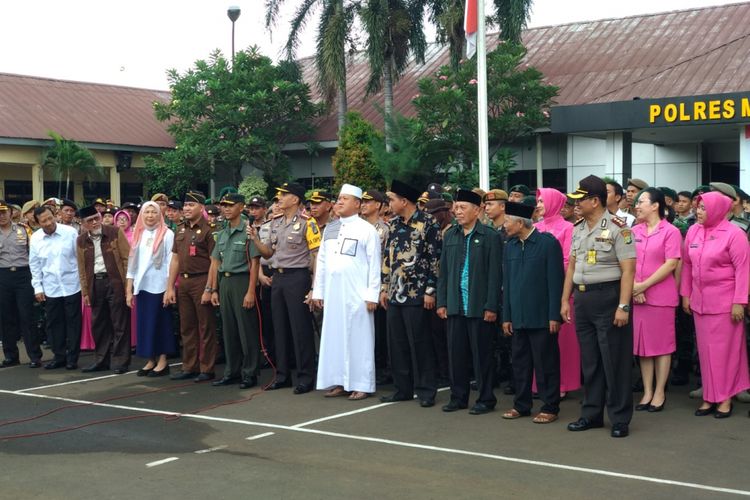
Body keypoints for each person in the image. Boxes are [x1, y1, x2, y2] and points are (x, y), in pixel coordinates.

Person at [562, 175, 636, 438]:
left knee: (614, 361)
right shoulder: (578, 227)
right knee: (590, 361)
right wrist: (565, 299)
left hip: (609, 297)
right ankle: (591, 414)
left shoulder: (619, 228)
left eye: (580, 199)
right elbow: (571, 265)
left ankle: (619, 418)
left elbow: (628, 270)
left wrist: (623, 306)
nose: (576, 204)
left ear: (595, 201)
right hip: (582, 299)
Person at [682, 191, 750, 418]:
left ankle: (724, 398)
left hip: (725, 302)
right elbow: (687, 266)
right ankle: (709, 396)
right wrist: (686, 294)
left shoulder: (734, 234)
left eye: (703, 208)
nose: (698, 212)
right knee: (706, 352)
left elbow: (743, 270)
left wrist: (740, 301)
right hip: (700, 302)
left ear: (718, 210)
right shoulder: (692, 231)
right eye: (698, 207)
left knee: (725, 353)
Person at [311, 185, 381, 400]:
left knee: (359, 340)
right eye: (339, 199)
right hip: (333, 294)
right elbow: (321, 262)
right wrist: (318, 291)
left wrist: (372, 295)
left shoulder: (367, 229)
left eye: (345, 199)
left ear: (357, 204)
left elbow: (374, 264)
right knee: (334, 338)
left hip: (357, 295)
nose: (339, 202)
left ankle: (361, 384)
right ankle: (339, 381)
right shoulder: (330, 229)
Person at [251, 182, 321, 394]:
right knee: (279, 327)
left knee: (300, 329)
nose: (279, 198)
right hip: (278, 278)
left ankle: (305, 376)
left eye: (284, 195)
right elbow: (268, 253)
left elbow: (316, 255)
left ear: (296, 199)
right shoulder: (275, 223)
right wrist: (254, 238)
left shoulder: (308, 223)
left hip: (297, 278)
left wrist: (314, 287)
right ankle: (282, 375)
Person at [437, 189, 501, 415]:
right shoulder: (450, 235)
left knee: (481, 354)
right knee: (456, 354)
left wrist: (491, 305)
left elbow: (495, 275)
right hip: (455, 304)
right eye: (456, 207)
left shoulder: (490, 236)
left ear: (477, 210)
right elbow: (443, 271)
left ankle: (485, 399)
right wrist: (442, 301)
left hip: (478, 306)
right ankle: (458, 397)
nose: (457, 211)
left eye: (463, 207)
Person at [379, 179, 441, 408]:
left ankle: (426, 390)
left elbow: (435, 258)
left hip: (418, 293)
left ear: (404, 201)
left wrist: (430, 290)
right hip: (395, 293)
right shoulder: (394, 224)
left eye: (392, 199)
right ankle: (402, 388)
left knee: (420, 343)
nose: (389, 204)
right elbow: (388, 258)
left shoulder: (428, 223)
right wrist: (384, 288)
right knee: (397, 343)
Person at [501, 200, 564, 423]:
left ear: (520, 223)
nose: (504, 225)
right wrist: (506, 316)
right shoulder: (510, 246)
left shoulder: (547, 244)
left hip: (542, 318)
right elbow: (507, 284)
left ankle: (550, 406)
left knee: (546, 363)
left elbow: (556, 282)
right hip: (517, 317)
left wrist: (554, 315)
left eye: (507, 221)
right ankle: (522, 405)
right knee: (519, 363)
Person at [631, 188, 681, 413]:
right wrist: (635, 286)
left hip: (660, 297)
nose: (637, 205)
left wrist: (644, 285)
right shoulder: (633, 231)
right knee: (643, 347)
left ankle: (660, 391)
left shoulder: (670, 231)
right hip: (638, 296)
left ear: (655, 206)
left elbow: (670, 264)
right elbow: (628, 260)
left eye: (642, 201)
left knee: (661, 347)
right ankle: (647, 391)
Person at [210, 193, 262, 390]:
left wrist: (251, 291)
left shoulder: (247, 232)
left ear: (241, 207)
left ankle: (250, 373)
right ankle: (232, 371)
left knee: (246, 330)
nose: (226, 208)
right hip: (225, 282)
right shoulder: (222, 234)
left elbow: (255, 263)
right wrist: (213, 289)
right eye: (223, 205)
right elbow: (216, 262)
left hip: (242, 281)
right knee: (229, 330)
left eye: (230, 205)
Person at [165, 191, 218, 382]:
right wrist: (170, 287)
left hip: (202, 279)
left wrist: (210, 288)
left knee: (206, 326)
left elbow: (215, 261)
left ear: (201, 208)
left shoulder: (210, 229)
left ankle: (207, 367)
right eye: (185, 205)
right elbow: (175, 259)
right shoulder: (180, 229)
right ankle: (189, 366)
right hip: (184, 282)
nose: (186, 209)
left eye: (191, 205)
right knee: (186, 326)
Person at [535, 187, 580, 397]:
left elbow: (567, 261)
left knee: (562, 341)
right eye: (538, 201)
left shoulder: (568, 228)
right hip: (536, 293)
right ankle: (540, 383)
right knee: (539, 339)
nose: (538, 205)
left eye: (542, 201)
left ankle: (562, 384)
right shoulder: (535, 227)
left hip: (560, 291)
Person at [76, 205, 131, 374]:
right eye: (90, 221)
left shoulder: (115, 232)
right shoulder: (81, 240)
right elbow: (82, 267)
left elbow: (127, 259)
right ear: (83, 223)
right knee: (98, 323)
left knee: (119, 322)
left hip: (115, 281)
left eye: (96, 218)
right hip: (95, 283)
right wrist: (85, 291)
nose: (94, 222)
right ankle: (101, 360)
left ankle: (121, 361)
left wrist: (128, 285)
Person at [29, 205, 82, 370]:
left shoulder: (70, 233)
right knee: (54, 324)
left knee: (73, 323)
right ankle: (59, 357)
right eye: (43, 221)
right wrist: (37, 287)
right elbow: (35, 264)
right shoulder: (36, 238)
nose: (48, 222)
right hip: (51, 287)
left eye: (50, 218)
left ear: (55, 215)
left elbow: (79, 258)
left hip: (72, 284)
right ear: (37, 223)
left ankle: (72, 358)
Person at [126, 201, 175, 377]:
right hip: (142, 286)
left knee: (161, 323)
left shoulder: (167, 234)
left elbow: (171, 262)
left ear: (159, 214)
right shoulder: (138, 234)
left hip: (160, 285)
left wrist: (170, 288)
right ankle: (150, 360)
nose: (150, 215)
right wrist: (129, 290)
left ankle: (162, 361)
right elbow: (132, 265)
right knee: (145, 324)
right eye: (146, 212)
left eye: (153, 212)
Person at [0, 200, 42, 368]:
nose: (1, 216)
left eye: (4, 212)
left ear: (11, 213)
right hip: (2, 276)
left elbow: (34, 253)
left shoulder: (24, 230)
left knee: (27, 316)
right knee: (6, 317)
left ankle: (34, 355)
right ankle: (11, 356)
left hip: (24, 275)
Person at [361, 189, 391, 384]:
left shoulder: (384, 229)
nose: (364, 205)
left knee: (380, 330)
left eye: (368, 201)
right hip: (358, 284)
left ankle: (383, 369)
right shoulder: (357, 227)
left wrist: (382, 287)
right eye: (362, 202)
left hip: (377, 282)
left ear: (379, 205)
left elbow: (386, 260)